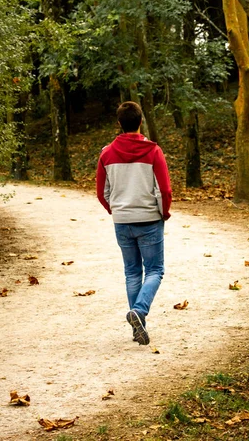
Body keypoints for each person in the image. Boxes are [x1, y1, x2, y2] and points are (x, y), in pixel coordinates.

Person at [96, 101, 172, 345]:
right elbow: (164, 190)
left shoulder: (106, 154)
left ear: (119, 124)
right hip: (149, 219)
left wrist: (116, 210)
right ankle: (139, 312)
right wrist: (164, 213)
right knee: (155, 270)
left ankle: (137, 326)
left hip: (123, 221)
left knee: (131, 272)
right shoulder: (153, 151)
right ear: (141, 122)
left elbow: (102, 192)